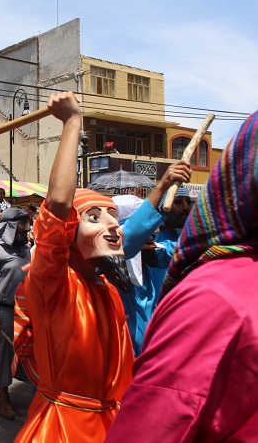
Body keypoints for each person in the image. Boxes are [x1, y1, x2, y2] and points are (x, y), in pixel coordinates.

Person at [107, 111, 258, 442]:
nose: (156, 225)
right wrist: (162, 186)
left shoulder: (177, 258)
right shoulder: (108, 263)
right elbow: (127, 239)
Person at [13, 92, 134, 442]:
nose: (113, 225)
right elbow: (58, 206)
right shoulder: (54, 282)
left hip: (116, 428)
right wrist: (71, 123)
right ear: (67, 232)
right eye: (94, 217)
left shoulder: (107, 287)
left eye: (114, 216)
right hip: (63, 429)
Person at [113, 161, 192, 355]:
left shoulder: (151, 253)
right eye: (148, 222)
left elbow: (182, 251)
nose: (153, 228)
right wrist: (162, 186)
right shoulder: (108, 265)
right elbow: (131, 236)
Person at [0, 207, 31, 420]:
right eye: (22, 224)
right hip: (3, 310)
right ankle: (4, 400)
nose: (26, 228)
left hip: (25, 311)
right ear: (10, 225)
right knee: (1, 356)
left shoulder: (24, 249)